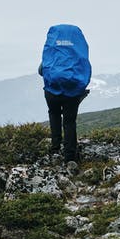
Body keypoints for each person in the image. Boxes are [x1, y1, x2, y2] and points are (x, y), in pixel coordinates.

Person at [38, 23, 91, 162]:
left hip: (52, 90)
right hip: (72, 92)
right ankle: (70, 157)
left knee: (54, 113)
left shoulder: (52, 50)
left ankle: (55, 148)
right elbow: (85, 69)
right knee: (69, 121)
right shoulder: (78, 51)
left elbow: (40, 70)